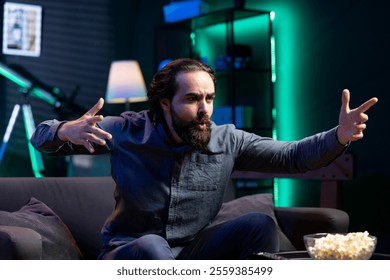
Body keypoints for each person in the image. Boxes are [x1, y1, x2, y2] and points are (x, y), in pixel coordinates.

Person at [31, 58, 378, 260]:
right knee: (153, 246)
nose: (204, 110)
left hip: (192, 253)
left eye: (210, 98)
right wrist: (63, 131)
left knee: (257, 223)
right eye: (193, 99)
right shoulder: (125, 130)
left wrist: (339, 136)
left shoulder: (228, 139)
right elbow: (40, 135)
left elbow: (294, 156)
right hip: (129, 253)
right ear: (165, 103)